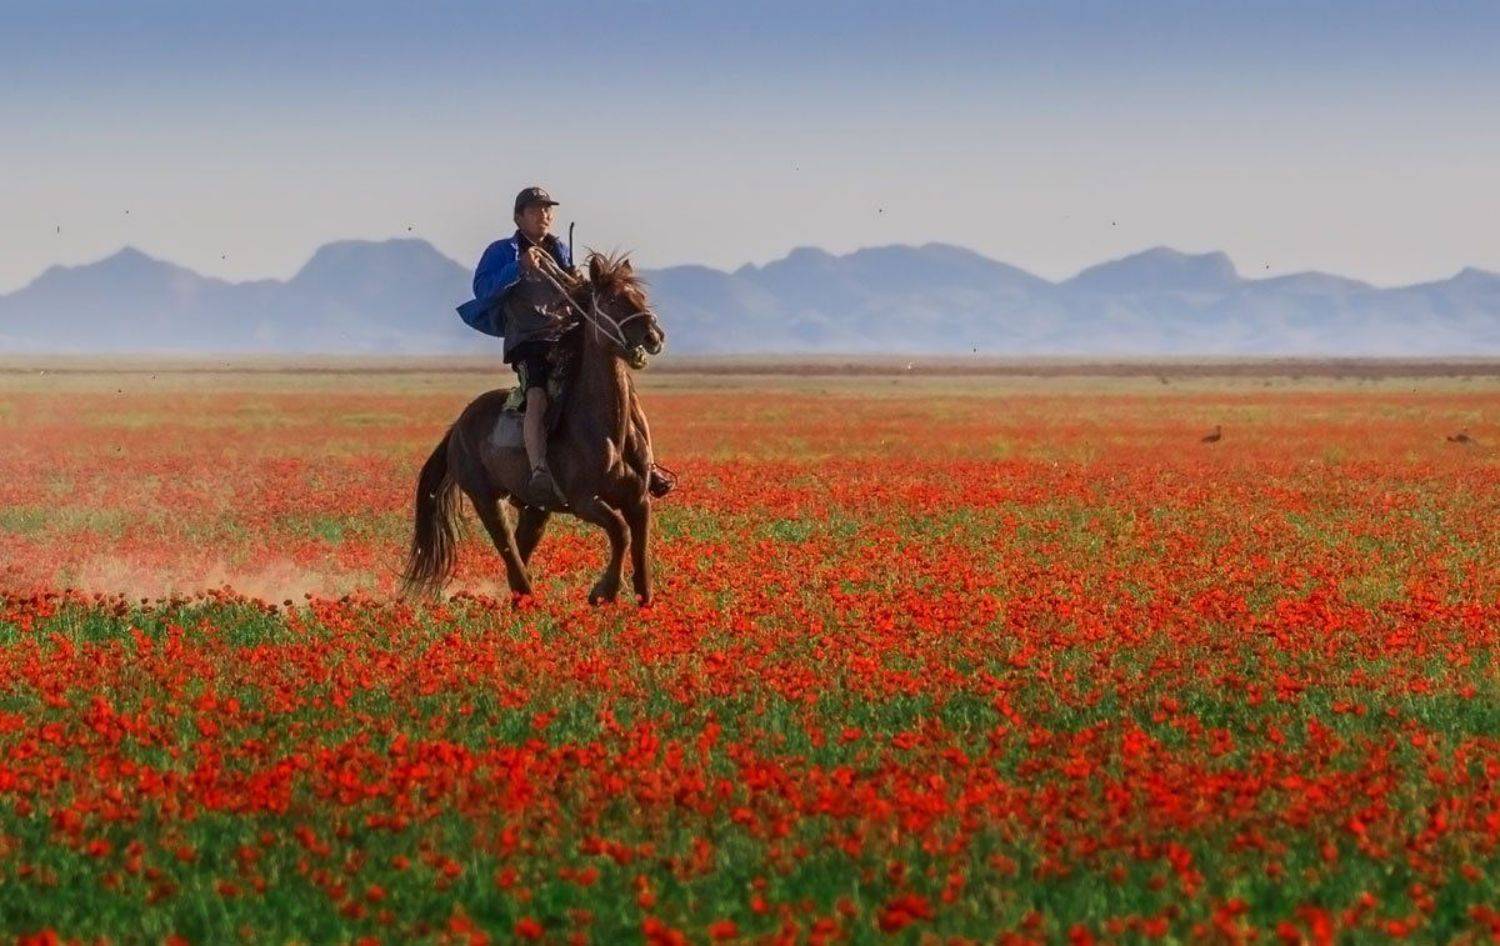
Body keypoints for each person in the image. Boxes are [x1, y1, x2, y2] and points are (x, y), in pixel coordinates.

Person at [458, 186, 674, 504]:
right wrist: (519, 267)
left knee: (622, 392)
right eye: (535, 210)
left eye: (547, 210)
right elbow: (483, 290)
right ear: (518, 218)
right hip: (529, 341)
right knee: (536, 397)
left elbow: (574, 292)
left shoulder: (558, 248)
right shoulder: (503, 251)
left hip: (565, 336)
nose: (543, 215)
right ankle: (538, 471)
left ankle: (648, 465)